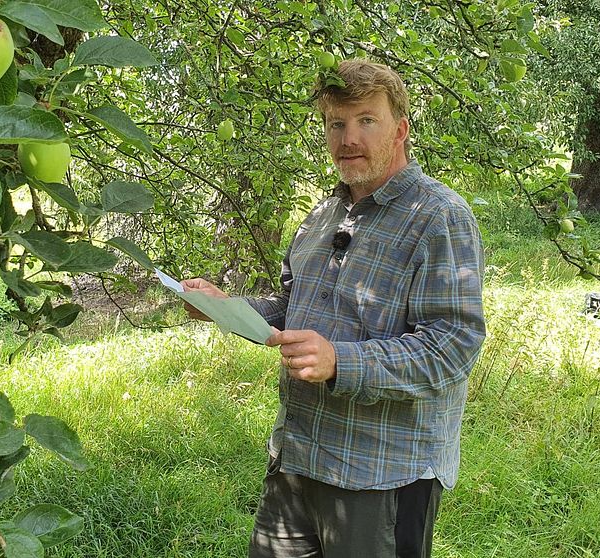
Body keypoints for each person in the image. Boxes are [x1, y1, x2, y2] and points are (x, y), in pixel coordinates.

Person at [181, 59, 485, 558]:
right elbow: (291, 308)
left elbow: (453, 347)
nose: (349, 138)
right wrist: (227, 308)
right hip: (298, 459)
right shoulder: (323, 214)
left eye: (366, 120)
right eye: (336, 123)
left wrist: (342, 361)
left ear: (401, 129)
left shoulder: (439, 217)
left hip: (380, 475)